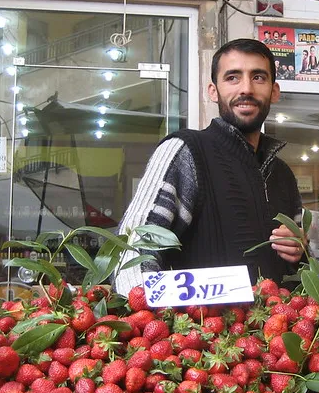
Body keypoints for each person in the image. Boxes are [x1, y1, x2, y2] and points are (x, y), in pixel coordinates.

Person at [116, 39, 305, 295]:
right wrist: (154, 320)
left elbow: (300, 276)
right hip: (200, 332)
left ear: (274, 91)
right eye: (232, 78)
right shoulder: (185, 151)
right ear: (213, 91)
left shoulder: (282, 174)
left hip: (272, 331)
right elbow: (134, 249)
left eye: (258, 77)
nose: (246, 88)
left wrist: (299, 252)